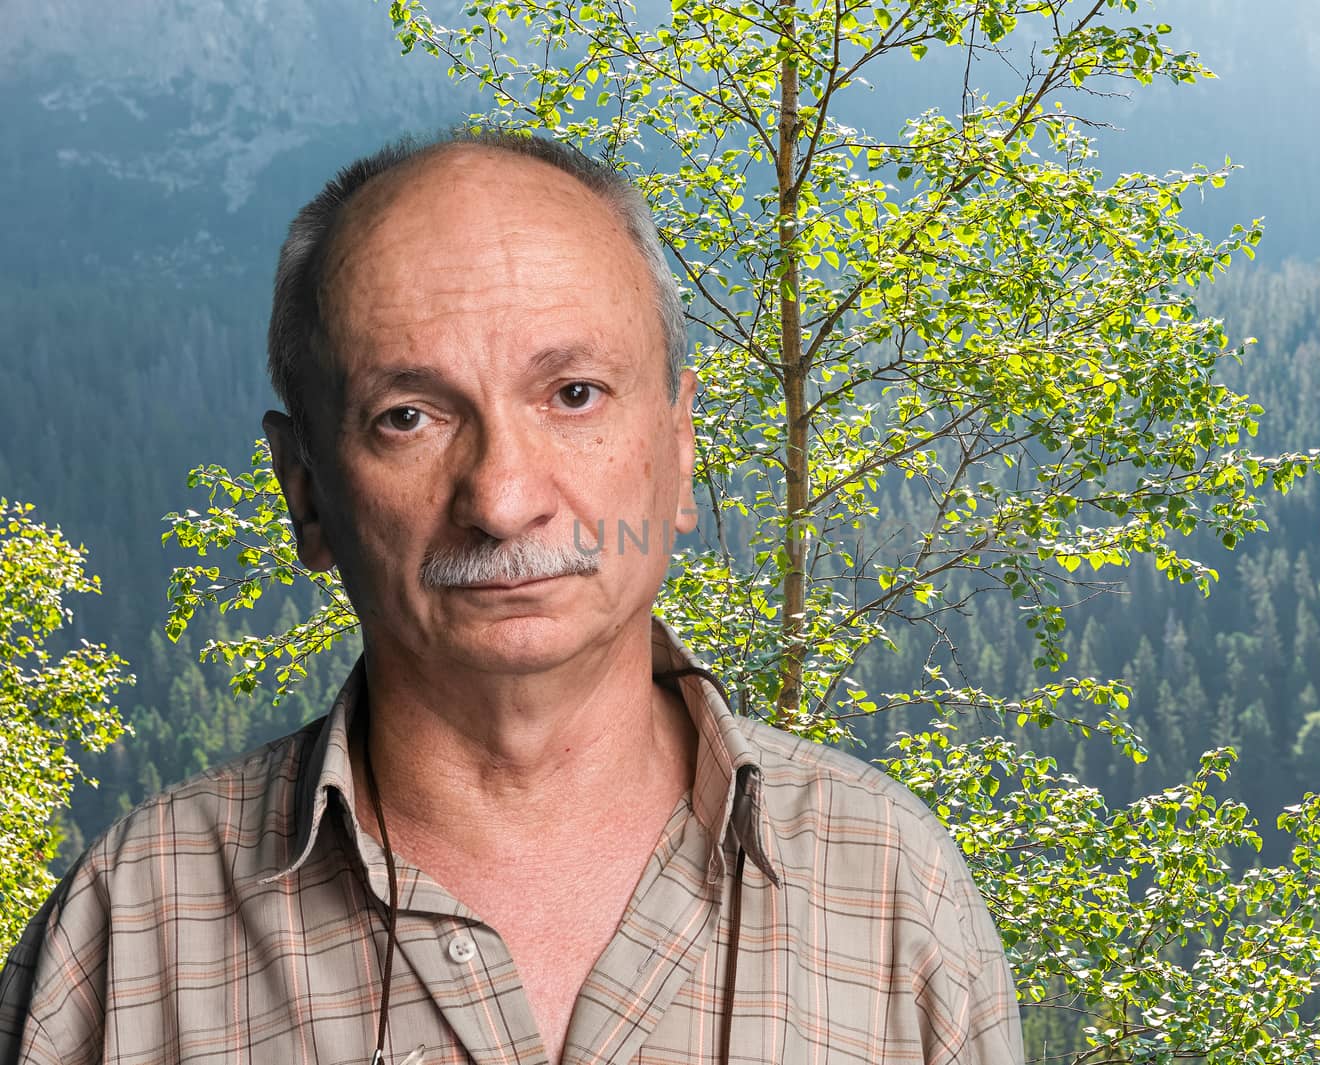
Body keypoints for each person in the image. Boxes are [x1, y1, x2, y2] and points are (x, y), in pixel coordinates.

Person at [0, 130, 1024, 1064]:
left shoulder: (896, 893)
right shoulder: (123, 936)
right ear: (306, 494)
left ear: (678, 445)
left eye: (573, 394)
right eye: (408, 415)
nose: (501, 498)